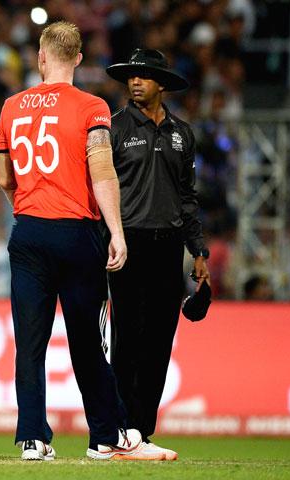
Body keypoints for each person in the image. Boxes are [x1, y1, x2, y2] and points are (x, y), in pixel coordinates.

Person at [0, 21, 159, 462]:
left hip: (27, 232)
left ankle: (32, 438)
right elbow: (102, 171)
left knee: (29, 342)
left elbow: (4, 178)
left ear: (41, 57)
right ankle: (106, 436)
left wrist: (30, 204)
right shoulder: (92, 107)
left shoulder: (12, 106)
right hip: (75, 233)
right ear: (80, 60)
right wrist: (117, 232)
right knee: (86, 341)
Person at [105, 48, 212, 461]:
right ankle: (119, 430)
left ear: (162, 83)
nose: (135, 81)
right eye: (132, 75)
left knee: (158, 343)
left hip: (169, 248)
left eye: (145, 75)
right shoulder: (111, 129)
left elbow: (188, 198)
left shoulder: (183, 133)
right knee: (127, 339)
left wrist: (197, 250)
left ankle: (140, 432)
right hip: (127, 243)